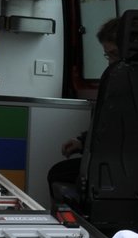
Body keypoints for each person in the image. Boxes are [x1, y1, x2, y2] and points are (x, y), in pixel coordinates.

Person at [48, 18, 121, 204]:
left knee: (57, 173)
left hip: (111, 167)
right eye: (108, 56)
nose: (110, 63)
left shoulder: (117, 80)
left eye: (114, 54)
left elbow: (109, 130)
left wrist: (84, 142)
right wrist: (81, 141)